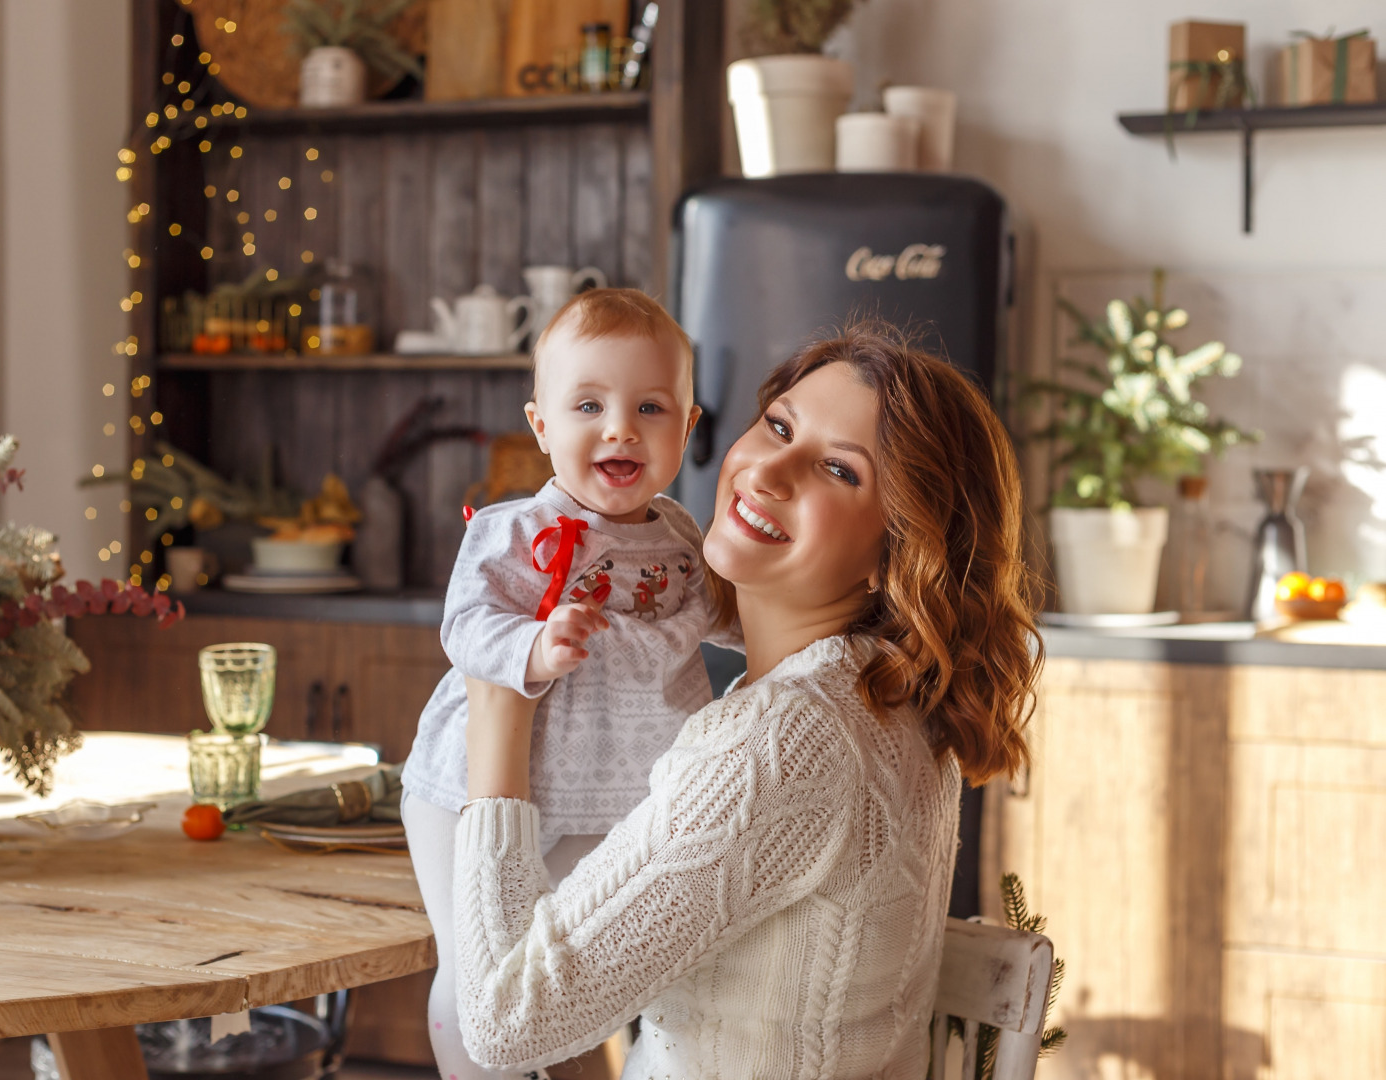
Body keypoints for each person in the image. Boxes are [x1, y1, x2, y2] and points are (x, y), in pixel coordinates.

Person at [453, 325, 1041, 1079]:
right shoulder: (885, 696)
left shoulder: (780, 741)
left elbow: (503, 1027)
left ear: (899, 554)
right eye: (779, 426)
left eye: (837, 469)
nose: (769, 471)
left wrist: (498, 702)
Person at [401, 288, 741, 1080]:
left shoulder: (682, 539)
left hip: (616, 793)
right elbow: (464, 626)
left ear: (687, 429)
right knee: (476, 966)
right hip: (471, 789)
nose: (620, 427)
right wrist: (534, 644)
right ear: (542, 425)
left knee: (566, 976)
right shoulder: (515, 530)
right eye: (589, 404)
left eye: (650, 407)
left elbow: (723, 620)